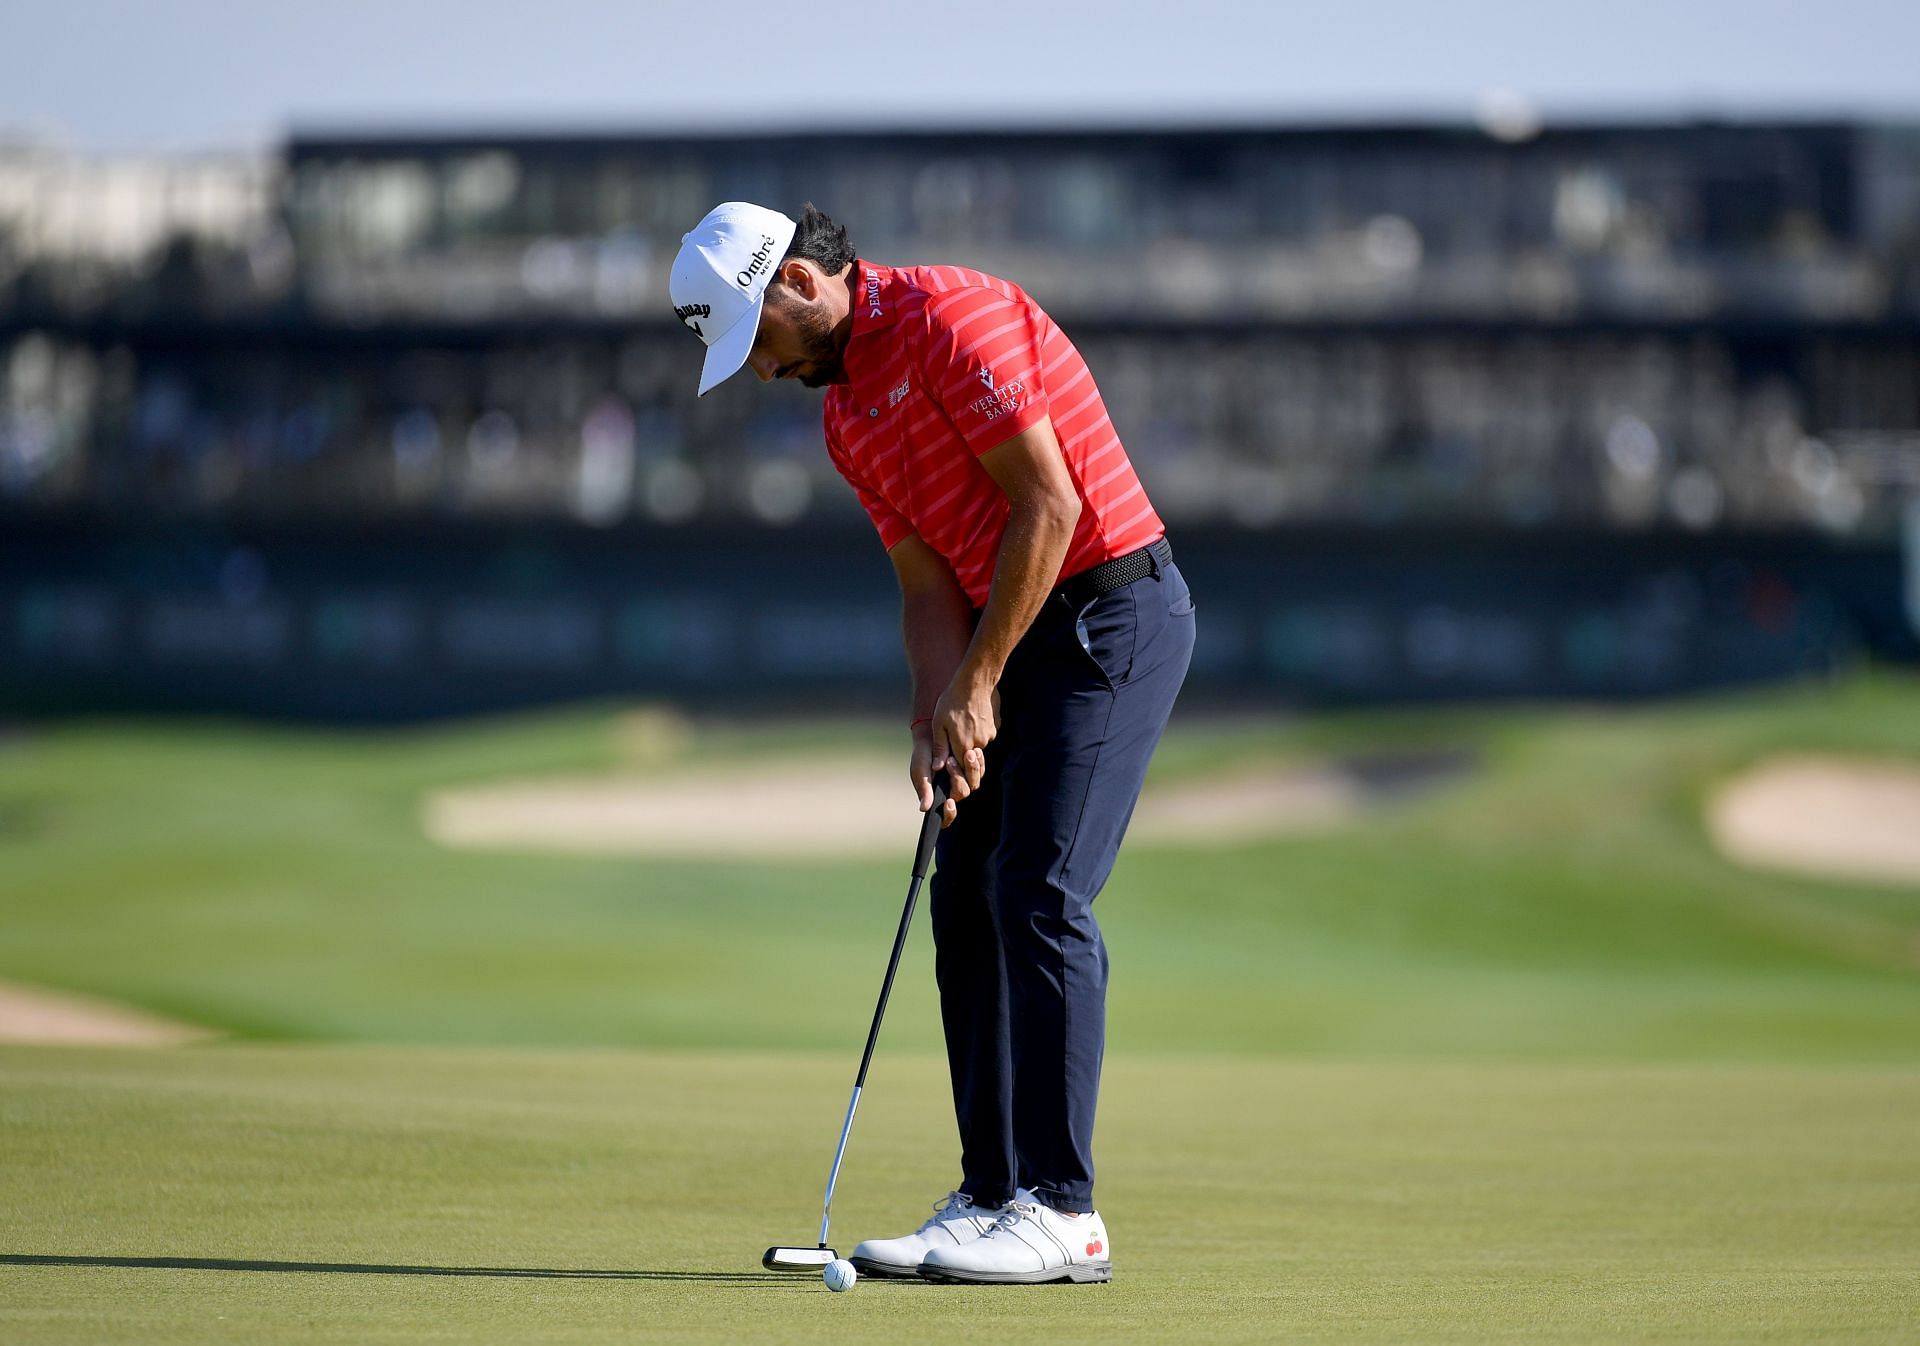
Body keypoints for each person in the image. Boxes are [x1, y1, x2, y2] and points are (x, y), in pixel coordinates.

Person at [670, 201, 1194, 1285]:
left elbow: (1048, 510)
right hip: (1013, 627)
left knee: (1037, 889)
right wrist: (933, 714)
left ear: (801, 285)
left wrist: (981, 682)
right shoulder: (845, 417)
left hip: (1110, 613)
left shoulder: (955, 319)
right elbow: (924, 587)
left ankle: (1066, 1211)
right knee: (964, 889)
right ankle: (994, 1192)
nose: (761, 373)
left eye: (756, 342)